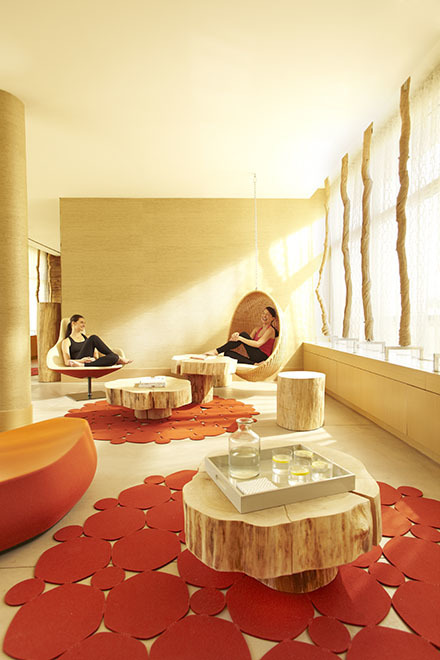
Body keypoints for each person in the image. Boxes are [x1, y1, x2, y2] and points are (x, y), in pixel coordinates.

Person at [206, 306, 279, 364]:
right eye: (263, 313)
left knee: (243, 334)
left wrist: (240, 338)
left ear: (272, 318)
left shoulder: (270, 330)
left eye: (267, 315)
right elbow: (247, 342)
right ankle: (254, 364)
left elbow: (257, 344)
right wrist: (236, 337)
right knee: (227, 353)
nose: (264, 316)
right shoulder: (257, 329)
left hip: (262, 356)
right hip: (254, 357)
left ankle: (216, 351)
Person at [61, 314, 132, 367]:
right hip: (79, 360)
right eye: (81, 322)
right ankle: (119, 358)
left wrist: (94, 359)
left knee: (114, 357)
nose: (84, 325)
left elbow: (95, 356)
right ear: (73, 323)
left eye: (84, 323)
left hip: (89, 361)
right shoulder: (66, 341)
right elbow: (67, 362)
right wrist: (81, 361)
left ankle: (83, 365)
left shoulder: (87, 338)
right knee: (93, 337)